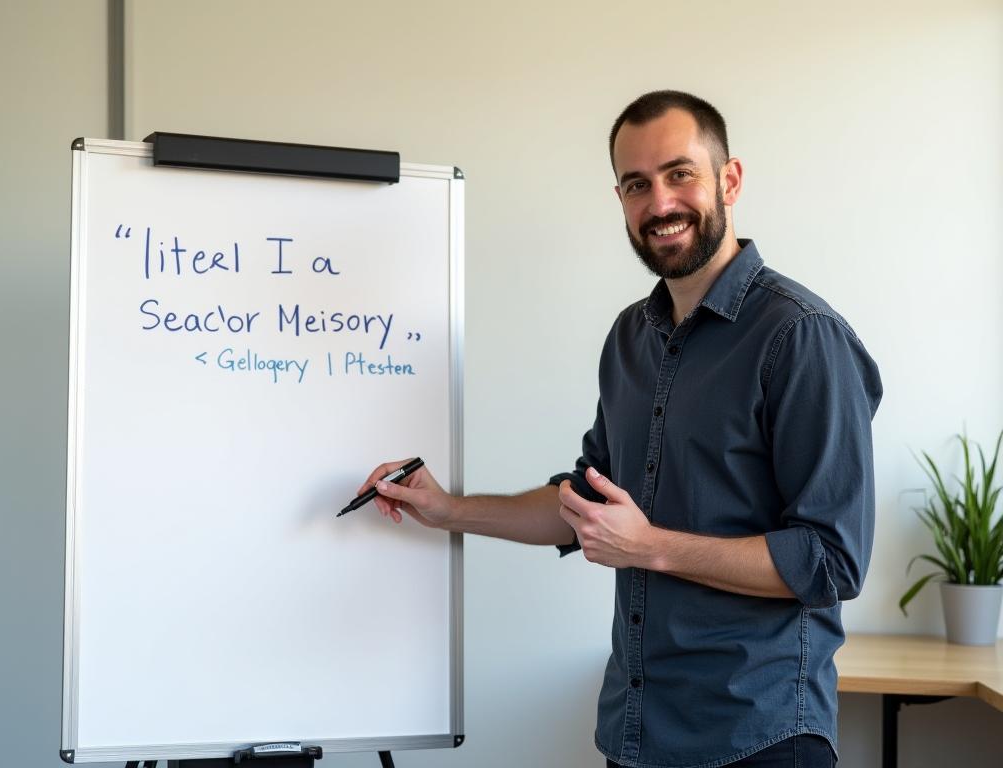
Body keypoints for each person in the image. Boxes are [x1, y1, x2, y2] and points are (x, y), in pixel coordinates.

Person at [358, 90, 882, 768]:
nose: (659, 202)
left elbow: (831, 561)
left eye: (679, 173)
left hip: (759, 735)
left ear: (730, 181)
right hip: (636, 733)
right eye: (637, 185)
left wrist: (653, 547)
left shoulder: (802, 337)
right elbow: (589, 507)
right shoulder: (632, 337)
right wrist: (446, 508)